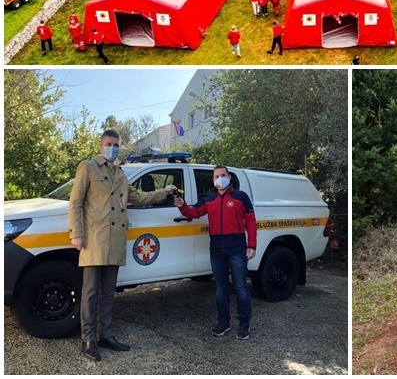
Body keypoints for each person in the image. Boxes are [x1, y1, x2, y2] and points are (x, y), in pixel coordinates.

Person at [68, 129, 178, 361]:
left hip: (116, 238)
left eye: (116, 144)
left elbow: (138, 198)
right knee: (89, 293)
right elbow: (75, 203)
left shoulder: (120, 173)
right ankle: (88, 339)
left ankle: (104, 335)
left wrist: (163, 192)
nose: (113, 147)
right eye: (109, 143)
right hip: (95, 239)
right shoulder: (88, 167)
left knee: (108, 293)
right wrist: (76, 234)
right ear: (100, 145)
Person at [174, 166, 256, 339]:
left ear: (229, 177)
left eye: (223, 175)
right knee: (220, 288)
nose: (220, 179)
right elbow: (194, 212)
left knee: (240, 286)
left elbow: (250, 221)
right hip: (216, 248)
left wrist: (252, 245)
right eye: (216, 177)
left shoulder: (240, 197)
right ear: (213, 181)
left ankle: (244, 324)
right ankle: (223, 322)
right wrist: (183, 206)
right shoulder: (209, 199)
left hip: (237, 247)